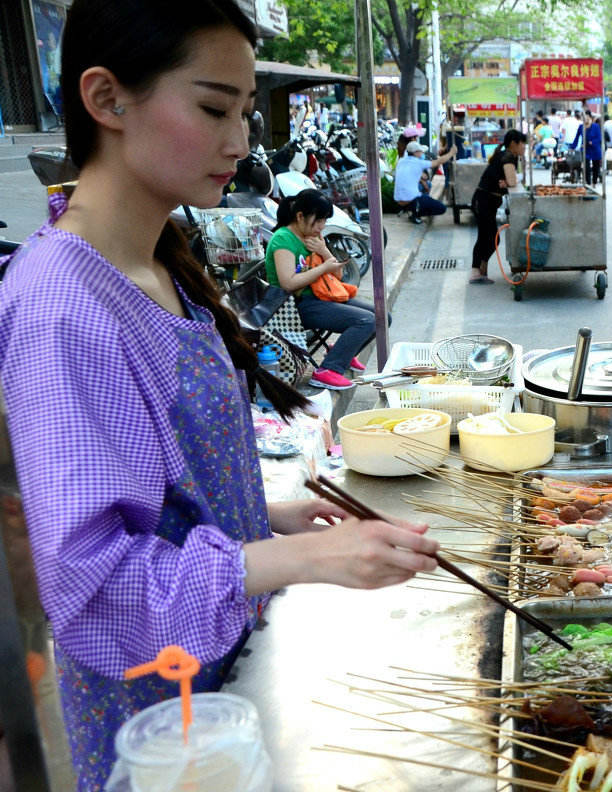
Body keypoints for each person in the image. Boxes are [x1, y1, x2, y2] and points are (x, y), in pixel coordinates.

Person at [0, 2, 440, 787]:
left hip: (224, 676)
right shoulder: (63, 307)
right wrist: (302, 557)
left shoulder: (151, 263)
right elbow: (94, 590)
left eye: (243, 112)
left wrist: (264, 519)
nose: (240, 141)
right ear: (107, 100)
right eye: (212, 108)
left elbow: (153, 489)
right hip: (161, 712)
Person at [266, 190, 384, 390]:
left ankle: (339, 352)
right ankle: (329, 369)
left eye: (324, 222)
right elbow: (288, 283)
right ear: (300, 216)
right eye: (318, 221)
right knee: (366, 321)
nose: (321, 227)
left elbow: (337, 276)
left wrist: (324, 251)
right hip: (296, 305)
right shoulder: (283, 239)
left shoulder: (313, 236)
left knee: (382, 317)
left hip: (321, 297)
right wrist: (323, 267)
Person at [470, 129, 526, 285]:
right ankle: (476, 271)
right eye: (522, 144)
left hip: (486, 201)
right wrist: (509, 182)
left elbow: (510, 180)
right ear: (513, 144)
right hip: (484, 201)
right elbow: (513, 181)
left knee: (488, 237)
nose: (524, 148)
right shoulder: (508, 157)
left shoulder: (506, 155)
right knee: (488, 238)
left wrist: (507, 182)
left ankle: (481, 270)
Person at [393, 140, 447, 223]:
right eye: (421, 152)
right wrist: (451, 153)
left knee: (425, 186)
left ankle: (414, 209)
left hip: (398, 199)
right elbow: (438, 162)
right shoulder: (418, 162)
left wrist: (422, 179)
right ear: (415, 153)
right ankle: (416, 212)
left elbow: (410, 174)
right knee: (442, 208)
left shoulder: (401, 161)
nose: (422, 153)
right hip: (410, 198)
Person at [572, 111, 603, 186]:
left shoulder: (596, 126)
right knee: (586, 167)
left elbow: (599, 138)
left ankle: (594, 182)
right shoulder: (581, 127)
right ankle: (588, 183)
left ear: (590, 117)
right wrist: (572, 147)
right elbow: (576, 138)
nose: (585, 119)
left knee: (596, 167)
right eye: (583, 118)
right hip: (585, 149)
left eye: (586, 117)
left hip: (595, 149)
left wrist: (592, 142)